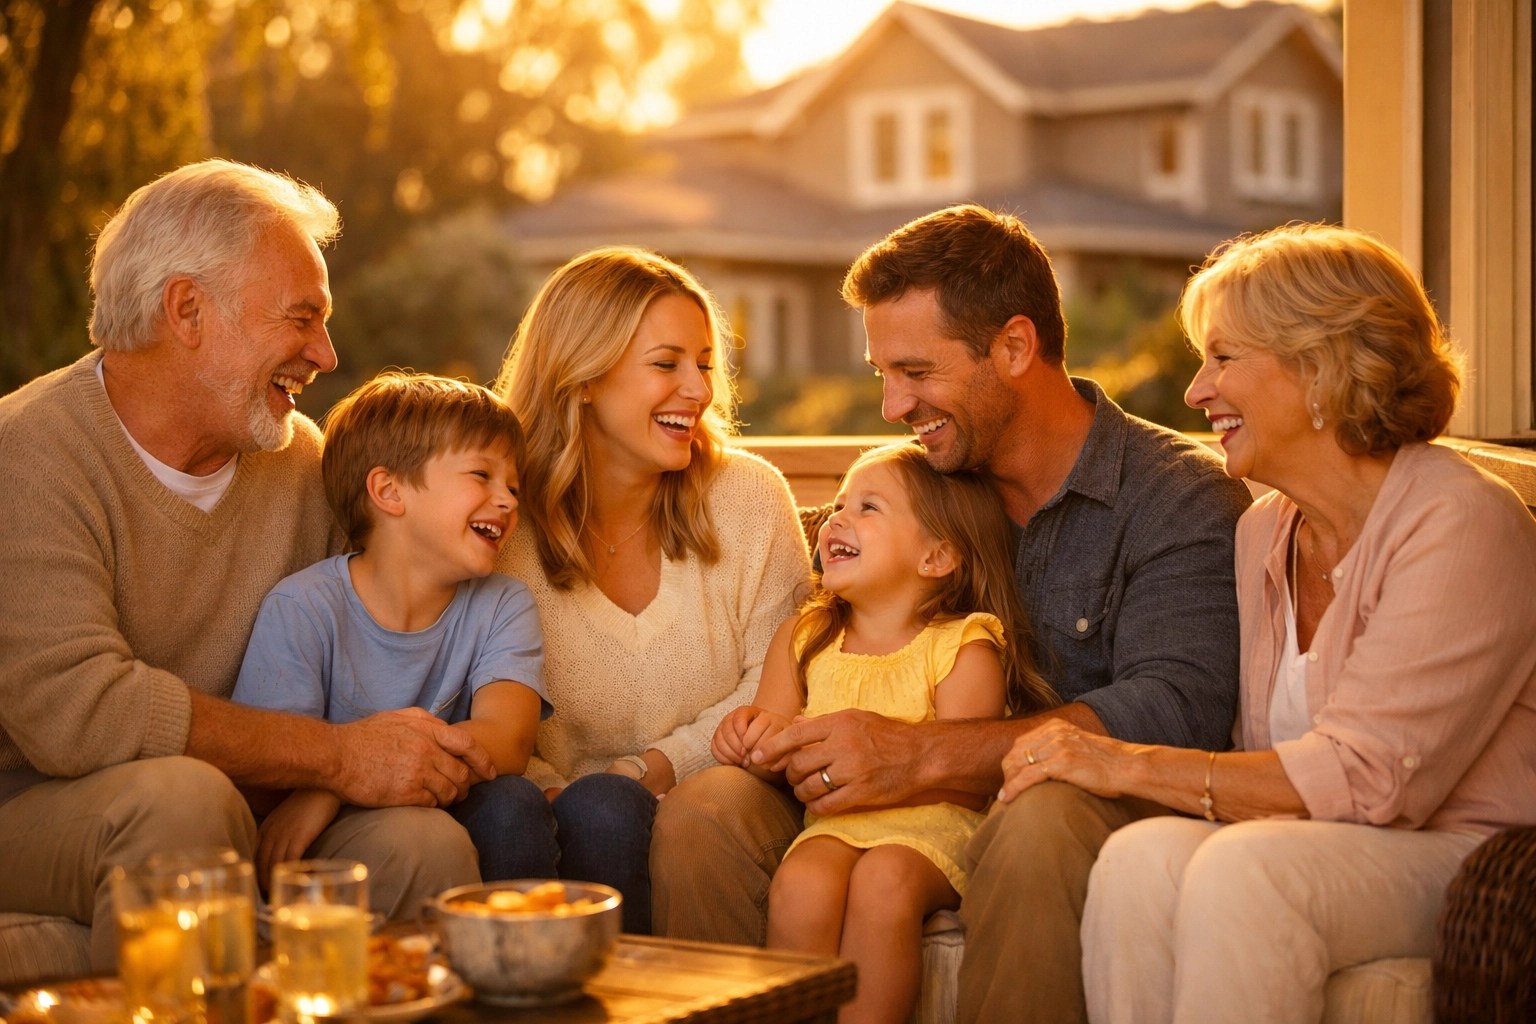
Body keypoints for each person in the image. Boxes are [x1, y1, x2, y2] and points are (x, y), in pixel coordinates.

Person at [652, 204, 1254, 1023]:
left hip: (1068, 805)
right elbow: (832, 597)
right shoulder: (925, 482)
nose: (895, 404)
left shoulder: (1175, 498)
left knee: (1036, 825)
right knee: (704, 814)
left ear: (1013, 347)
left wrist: (923, 755)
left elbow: (1178, 709)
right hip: (871, 805)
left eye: (917, 372)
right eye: (882, 376)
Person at [1028, 224, 1536, 1022]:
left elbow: (1367, 780)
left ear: (1323, 367)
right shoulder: (1264, 529)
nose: (1196, 391)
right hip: (1312, 841)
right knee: (1137, 860)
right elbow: (1258, 758)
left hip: (1471, 860)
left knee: (1248, 874)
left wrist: (1122, 762)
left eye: (1223, 358)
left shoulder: (1459, 520)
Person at [0, 160, 487, 972]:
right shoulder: (29, 455)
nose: (326, 355)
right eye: (301, 319)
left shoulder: (302, 464)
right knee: (182, 805)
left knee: (419, 845)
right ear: (187, 310)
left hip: (260, 797)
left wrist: (328, 781)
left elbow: (374, 641)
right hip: (36, 803)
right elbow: (76, 712)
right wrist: (335, 757)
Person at [492, 245, 811, 934]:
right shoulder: (499, 523)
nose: (697, 390)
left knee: (614, 812)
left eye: (703, 364)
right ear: (581, 378)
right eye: (666, 364)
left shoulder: (748, 499)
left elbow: (783, 673)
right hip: (546, 813)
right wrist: (559, 789)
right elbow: (464, 676)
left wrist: (654, 767)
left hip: (719, 797)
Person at [715, 441, 1057, 1023]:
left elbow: (966, 778)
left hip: (930, 828)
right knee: (801, 882)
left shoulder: (961, 645)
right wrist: (749, 738)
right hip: (836, 822)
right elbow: (773, 734)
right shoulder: (805, 636)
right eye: (841, 502)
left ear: (937, 557)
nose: (837, 518)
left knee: (883, 882)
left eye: (869, 508)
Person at [232, 371, 554, 888]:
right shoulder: (303, 608)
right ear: (388, 490)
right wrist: (331, 783)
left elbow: (507, 739)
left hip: (441, 812)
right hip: (339, 841)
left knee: (513, 804)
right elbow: (272, 772)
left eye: (513, 486)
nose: (510, 500)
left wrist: (334, 784)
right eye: (482, 475)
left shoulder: (503, 603)